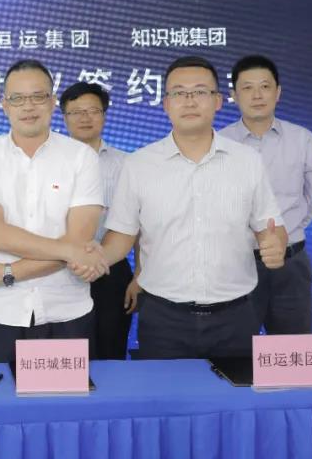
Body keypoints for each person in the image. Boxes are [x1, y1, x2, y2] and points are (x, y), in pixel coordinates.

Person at [91, 56, 287, 360]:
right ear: (166, 104)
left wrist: (275, 245)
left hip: (236, 316)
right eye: (179, 93)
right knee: (167, 392)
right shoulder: (139, 165)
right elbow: (121, 237)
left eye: (200, 92)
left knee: (236, 392)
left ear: (218, 101)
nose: (190, 101)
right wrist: (87, 259)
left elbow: (271, 228)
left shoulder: (247, 161)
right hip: (163, 318)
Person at [0, 59, 107, 365]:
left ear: (53, 102)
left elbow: (78, 239)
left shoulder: (82, 157)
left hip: (66, 310)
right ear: (4, 105)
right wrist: (71, 252)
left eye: (38, 96)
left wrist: (7, 273)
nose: (28, 106)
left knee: (63, 397)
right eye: (17, 98)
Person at [220, 54, 312, 334]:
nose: (257, 95)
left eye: (265, 87)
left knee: (292, 346)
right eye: (247, 88)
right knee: (234, 347)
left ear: (278, 92)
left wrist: (286, 232)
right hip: (237, 263)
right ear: (234, 95)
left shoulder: (302, 139)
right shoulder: (220, 143)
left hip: (291, 263)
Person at [60, 81, 132, 360]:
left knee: (109, 351)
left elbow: (143, 226)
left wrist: (139, 277)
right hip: (58, 269)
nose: (85, 118)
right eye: (76, 112)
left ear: (104, 115)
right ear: (64, 117)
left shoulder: (127, 164)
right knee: (64, 353)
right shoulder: (49, 163)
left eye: (92, 110)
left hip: (110, 269)